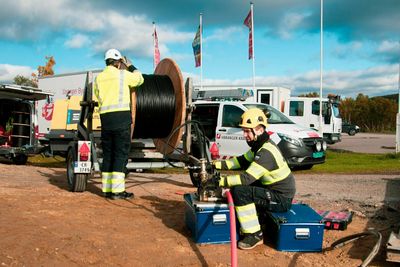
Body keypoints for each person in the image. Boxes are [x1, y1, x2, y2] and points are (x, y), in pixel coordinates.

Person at [213, 108, 296, 249]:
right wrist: (215, 165)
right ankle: (259, 219)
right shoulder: (259, 146)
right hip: (273, 189)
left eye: (247, 131)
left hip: (281, 199)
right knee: (241, 189)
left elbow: (246, 178)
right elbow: (240, 162)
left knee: (240, 192)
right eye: (244, 131)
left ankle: (254, 234)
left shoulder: (266, 153)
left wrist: (219, 181)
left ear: (258, 129)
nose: (244, 135)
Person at [94, 48, 144, 200]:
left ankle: (106, 190)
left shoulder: (99, 78)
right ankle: (117, 191)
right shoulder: (123, 74)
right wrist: (130, 66)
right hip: (121, 119)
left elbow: (97, 96)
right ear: (118, 62)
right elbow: (140, 79)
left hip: (106, 121)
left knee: (108, 154)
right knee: (120, 155)